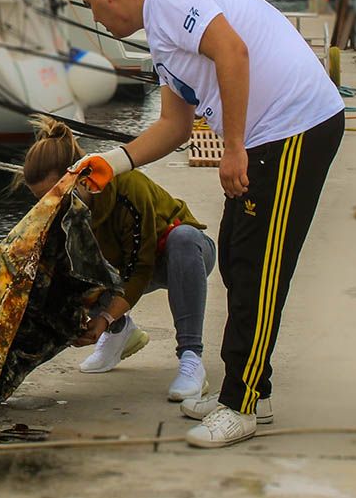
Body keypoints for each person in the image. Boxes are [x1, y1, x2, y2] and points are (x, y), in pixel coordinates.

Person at [63, 0, 344, 448]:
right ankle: (250, 392)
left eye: (90, 5)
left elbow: (232, 53)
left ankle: (241, 406)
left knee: (259, 268)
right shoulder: (163, 34)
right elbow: (173, 125)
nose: (97, 19)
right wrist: (111, 162)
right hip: (268, 136)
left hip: (292, 127)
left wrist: (233, 146)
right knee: (240, 260)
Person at [17, 116, 215, 402]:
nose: (50, 205)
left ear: (80, 177)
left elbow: (142, 268)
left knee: (184, 238)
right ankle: (121, 333)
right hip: (120, 266)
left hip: (176, 257)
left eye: (56, 195)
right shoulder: (60, 214)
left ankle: (191, 359)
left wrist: (104, 316)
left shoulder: (126, 185)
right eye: (42, 200)